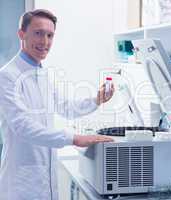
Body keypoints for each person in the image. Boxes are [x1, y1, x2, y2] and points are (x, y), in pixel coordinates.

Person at [0, 9, 114, 200]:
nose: (44, 41)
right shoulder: (7, 75)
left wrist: (97, 100)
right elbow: (22, 126)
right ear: (21, 34)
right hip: (21, 184)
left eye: (49, 35)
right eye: (38, 33)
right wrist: (74, 138)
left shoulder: (42, 73)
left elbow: (65, 107)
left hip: (45, 179)